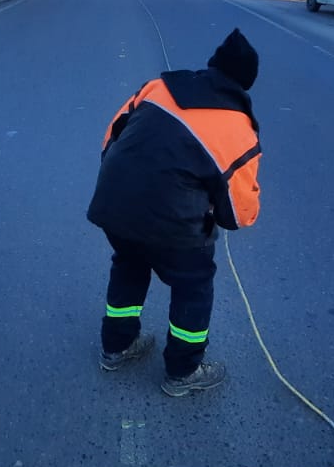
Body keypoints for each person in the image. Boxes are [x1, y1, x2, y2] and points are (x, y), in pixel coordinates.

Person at [87, 28, 263, 397]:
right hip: (173, 224)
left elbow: (112, 136)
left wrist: (125, 185)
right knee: (193, 285)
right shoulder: (238, 128)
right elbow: (238, 214)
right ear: (245, 86)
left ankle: (115, 348)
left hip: (113, 202)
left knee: (130, 264)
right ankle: (183, 372)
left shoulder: (157, 88)